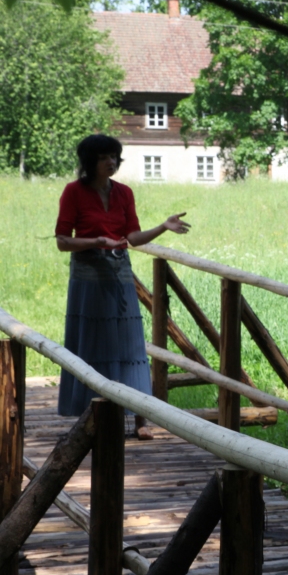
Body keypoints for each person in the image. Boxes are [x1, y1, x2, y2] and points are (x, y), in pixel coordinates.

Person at [55, 134, 191, 439]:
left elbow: (133, 236)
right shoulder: (73, 192)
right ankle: (88, 417)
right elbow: (63, 241)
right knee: (90, 343)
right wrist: (95, 241)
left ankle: (140, 418)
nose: (111, 162)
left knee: (130, 345)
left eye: (115, 157)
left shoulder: (124, 193)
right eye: (105, 157)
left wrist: (162, 227)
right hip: (88, 274)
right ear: (91, 162)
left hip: (119, 272)